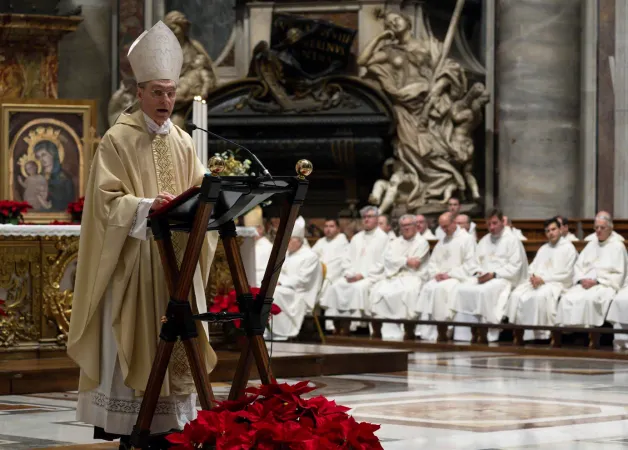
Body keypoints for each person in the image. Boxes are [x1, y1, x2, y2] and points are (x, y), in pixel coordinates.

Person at [67, 21, 218, 447]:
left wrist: (215, 196)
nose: (166, 101)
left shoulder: (186, 142)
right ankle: (135, 424)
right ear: (140, 93)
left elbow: (201, 191)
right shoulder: (117, 140)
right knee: (136, 339)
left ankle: (170, 426)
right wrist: (144, 206)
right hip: (136, 263)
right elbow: (105, 204)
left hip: (176, 264)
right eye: (158, 92)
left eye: (171, 92)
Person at [450, 208, 528, 342]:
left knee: (484, 292)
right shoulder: (484, 240)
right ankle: (464, 334)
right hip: (484, 277)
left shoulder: (512, 240)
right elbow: (475, 263)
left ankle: (485, 333)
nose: (491, 227)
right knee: (462, 289)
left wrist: (493, 274)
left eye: (494, 223)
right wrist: (479, 272)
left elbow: (515, 267)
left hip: (504, 279)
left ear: (502, 222)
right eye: (489, 224)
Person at [320, 206, 389, 335]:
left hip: (372, 277)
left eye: (370, 217)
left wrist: (362, 275)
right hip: (352, 276)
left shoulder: (383, 238)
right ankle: (338, 326)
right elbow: (346, 259)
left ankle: (356, 326)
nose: (366, 220)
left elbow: (382, 263)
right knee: (336, 286)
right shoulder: (357, 238)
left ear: (376, 219)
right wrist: (349, 273)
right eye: (364, 217)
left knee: (358, 288)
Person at [506, 217, 577, 341]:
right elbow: (532, 268)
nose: (551, 233)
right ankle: (520, 334)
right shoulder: (543, 248)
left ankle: (541, 335)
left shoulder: (569, 248)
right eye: (548, 230)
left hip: (557, 284)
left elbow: (568, 274)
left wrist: (544, 280)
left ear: (560, 230)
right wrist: (533, 277)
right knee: (516, 294)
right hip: (538, 282)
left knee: (540, 296)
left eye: (553, 229)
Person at [415, 212, 478, 341]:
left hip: (457, 278)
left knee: (442, 289)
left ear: (454, 222)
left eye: (446, 226)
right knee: (427, 287)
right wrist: (436, 274)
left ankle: (443, 330)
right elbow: (432, 263)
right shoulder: (443, 240)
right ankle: (427, 331)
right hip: (441, 277)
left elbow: (470, 265)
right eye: (442, 227)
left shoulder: (467, 239)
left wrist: (449, 275)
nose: (444, 230)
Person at [557, 213, 627, 328]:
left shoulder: (618, 246)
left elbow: (620, 275)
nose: (598, 231)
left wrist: (597, 281)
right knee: (567, 298)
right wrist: (581, 280)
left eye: (602, 228)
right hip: (585, 284)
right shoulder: (590, 245)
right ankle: (570, 335)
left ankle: (591, 335)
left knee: (591, 299)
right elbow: (578, 267)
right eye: (596, 228)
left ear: (610, 228)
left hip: (604, 285)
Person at [366, 215, 430, 340]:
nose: (406, 228)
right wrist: (406, 261)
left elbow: (416, 264)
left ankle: (408, 330)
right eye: (403, 226)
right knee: (377, 290)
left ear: (415, 226)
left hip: (413, 276)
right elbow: (388, 260)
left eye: (409, 225)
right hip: (394, 276)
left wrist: (399, 262)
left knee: (408, 292)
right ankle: (379, 331)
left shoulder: (422, 242)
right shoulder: (394, 242)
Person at [266, 217, 323, 340]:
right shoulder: (287, 254)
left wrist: (280, 282)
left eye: (289, 240)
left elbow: (303, 280)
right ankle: (268, 330)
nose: (286, 243)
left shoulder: (310, 256)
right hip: (287, 288)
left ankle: (280, 332)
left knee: (275, 293)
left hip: (301, 292)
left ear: (299, 241)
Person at [311, 218, 349, 315]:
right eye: (326, 226)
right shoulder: (321, 241)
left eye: (331, 226)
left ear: (338, 229)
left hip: (334, 275)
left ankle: (331, 326)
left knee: (328, 287)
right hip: (319, 273)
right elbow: (311, 256)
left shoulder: (342, 241)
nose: (328, 229)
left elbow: (341, 261)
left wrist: (326, 273)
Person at [34, 140, 75, 211]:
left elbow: (68, 201)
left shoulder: (65, 178)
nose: (41, 159)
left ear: (53, 153)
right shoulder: (37, 177)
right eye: (38, 156)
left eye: (44, 155)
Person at [243, 206, 273, 288]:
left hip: (262, 281)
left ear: (260, 229)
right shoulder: (246, 245)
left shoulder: (268, 247)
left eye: (251, 229)